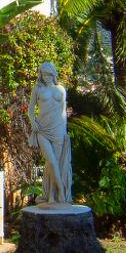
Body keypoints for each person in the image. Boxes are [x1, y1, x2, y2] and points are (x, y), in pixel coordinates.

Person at [27, 61, 73, 205]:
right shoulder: (38, 88)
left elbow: (63, 112)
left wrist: (64, 129)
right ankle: (61, 191)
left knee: (56, 163)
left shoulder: (61, 89)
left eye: (49, 73)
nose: (46, 76)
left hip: (58, 128)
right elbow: (30, 109)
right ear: (41, 74)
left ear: (53, 74)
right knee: (52, 161)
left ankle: (52, 196)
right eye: (43, 74)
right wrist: (33, 121)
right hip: (42, 129)